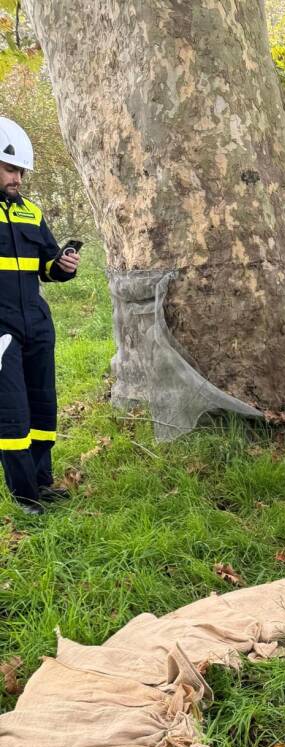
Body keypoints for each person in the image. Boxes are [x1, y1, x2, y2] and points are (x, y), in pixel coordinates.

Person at [0, 116, 80, 514]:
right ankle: (23, 494)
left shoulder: (31, 212)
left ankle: (41, 481)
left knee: (42, 404)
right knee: (12, 411)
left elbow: (46, 264)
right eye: (11, 169)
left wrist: (62, 264)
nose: (18, 178)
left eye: (21, 171)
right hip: (2, 327)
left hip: (37, 321)